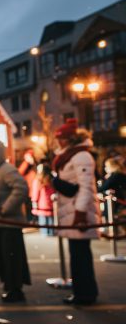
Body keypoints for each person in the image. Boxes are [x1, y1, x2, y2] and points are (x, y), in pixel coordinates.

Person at [52, 118, 100, 305]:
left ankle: (86, 294)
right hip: (70, 209)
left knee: (81, 256)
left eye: (62, 138)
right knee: (77, 255)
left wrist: (80, 214)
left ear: (70, 139)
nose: (59, 142)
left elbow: (86, 187)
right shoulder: (70, 155)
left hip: (77, 212)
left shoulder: (81, 156)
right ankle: (81, 292)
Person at [0, 139, 31, 302]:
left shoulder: (6, 170)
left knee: (12, 258)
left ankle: (15, 289)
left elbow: (21, 188)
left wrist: (5, 208)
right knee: (4, 257)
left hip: (9, 223)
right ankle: (9, 286)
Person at [30, 163, 55, 236]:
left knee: (44, 226)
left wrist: (34, 203)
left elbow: (35, 193)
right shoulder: (52, 179)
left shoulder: (38, 180)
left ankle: (46, 235)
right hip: (51, 204)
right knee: (51, 225)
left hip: (42, 205)